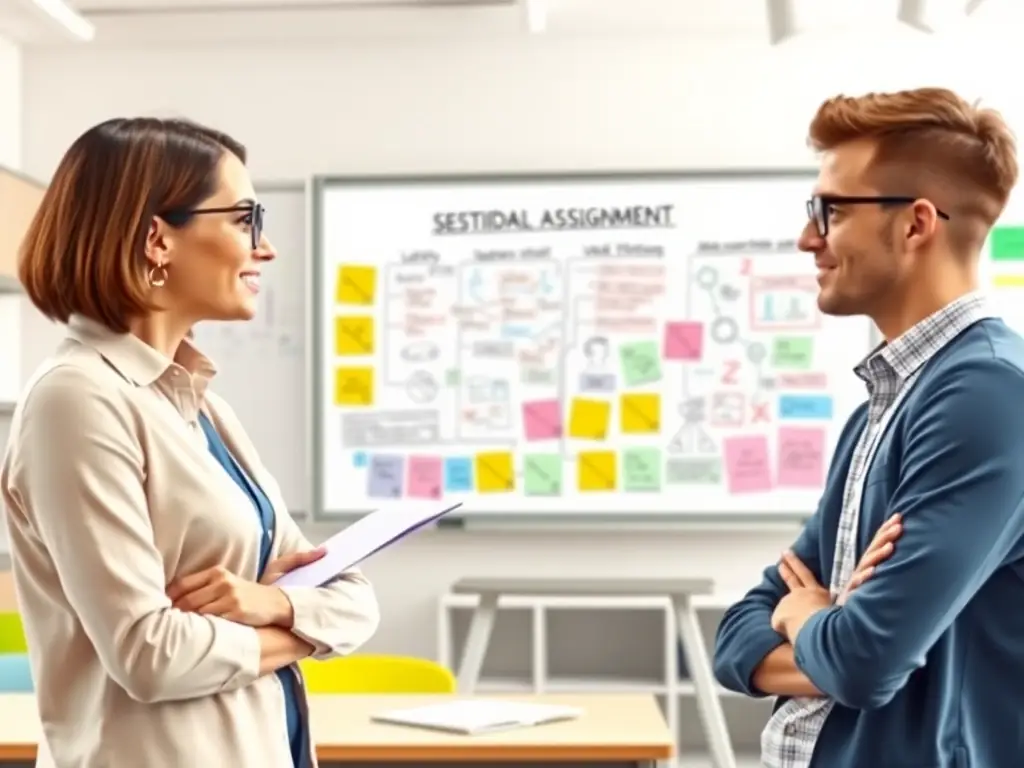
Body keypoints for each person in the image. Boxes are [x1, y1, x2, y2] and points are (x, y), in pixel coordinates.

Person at [0, 118, 380, 767]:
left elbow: (354, 599)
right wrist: (299, 630)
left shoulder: (199, 404)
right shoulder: (78, 400)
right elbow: (150, 656)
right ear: (157, 239)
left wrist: (273, 602)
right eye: (244, 219)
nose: (266, 249)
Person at [713, 87, 1024, 768]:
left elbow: (863, 662)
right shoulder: (880, 410)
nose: (807, 239)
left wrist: (802, 618)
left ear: (915, 225)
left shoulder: (989, 395)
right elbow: (736, 634)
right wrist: (824, 617)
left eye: (830, 211)